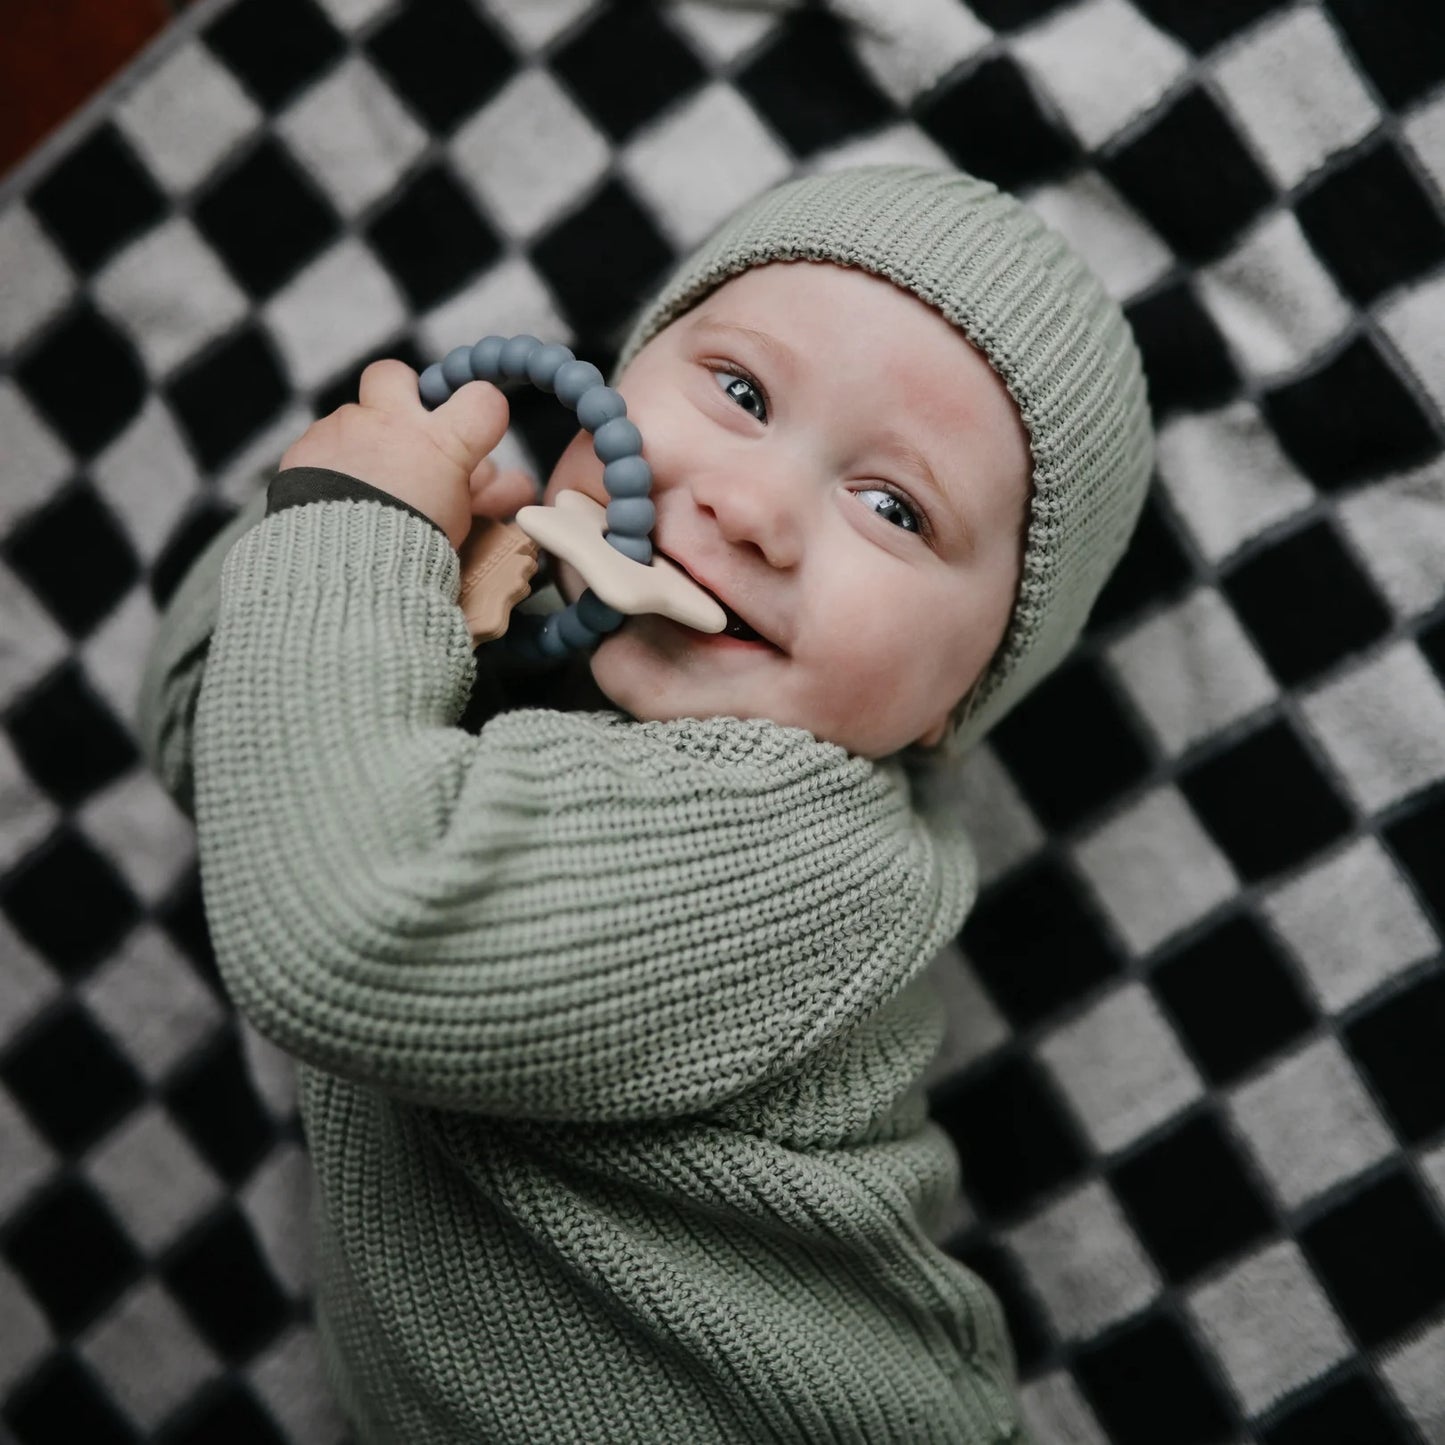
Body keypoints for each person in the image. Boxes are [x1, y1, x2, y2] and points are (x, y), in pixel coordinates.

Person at [138, 164, 1152, 1444]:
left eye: (892, 508)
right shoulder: (490, 671)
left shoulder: (803, 844)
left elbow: (348, 927)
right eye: (738, 392)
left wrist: (349, 527)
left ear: (953, 700)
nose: (754, 508)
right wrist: (410, 572)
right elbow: (204, 732)